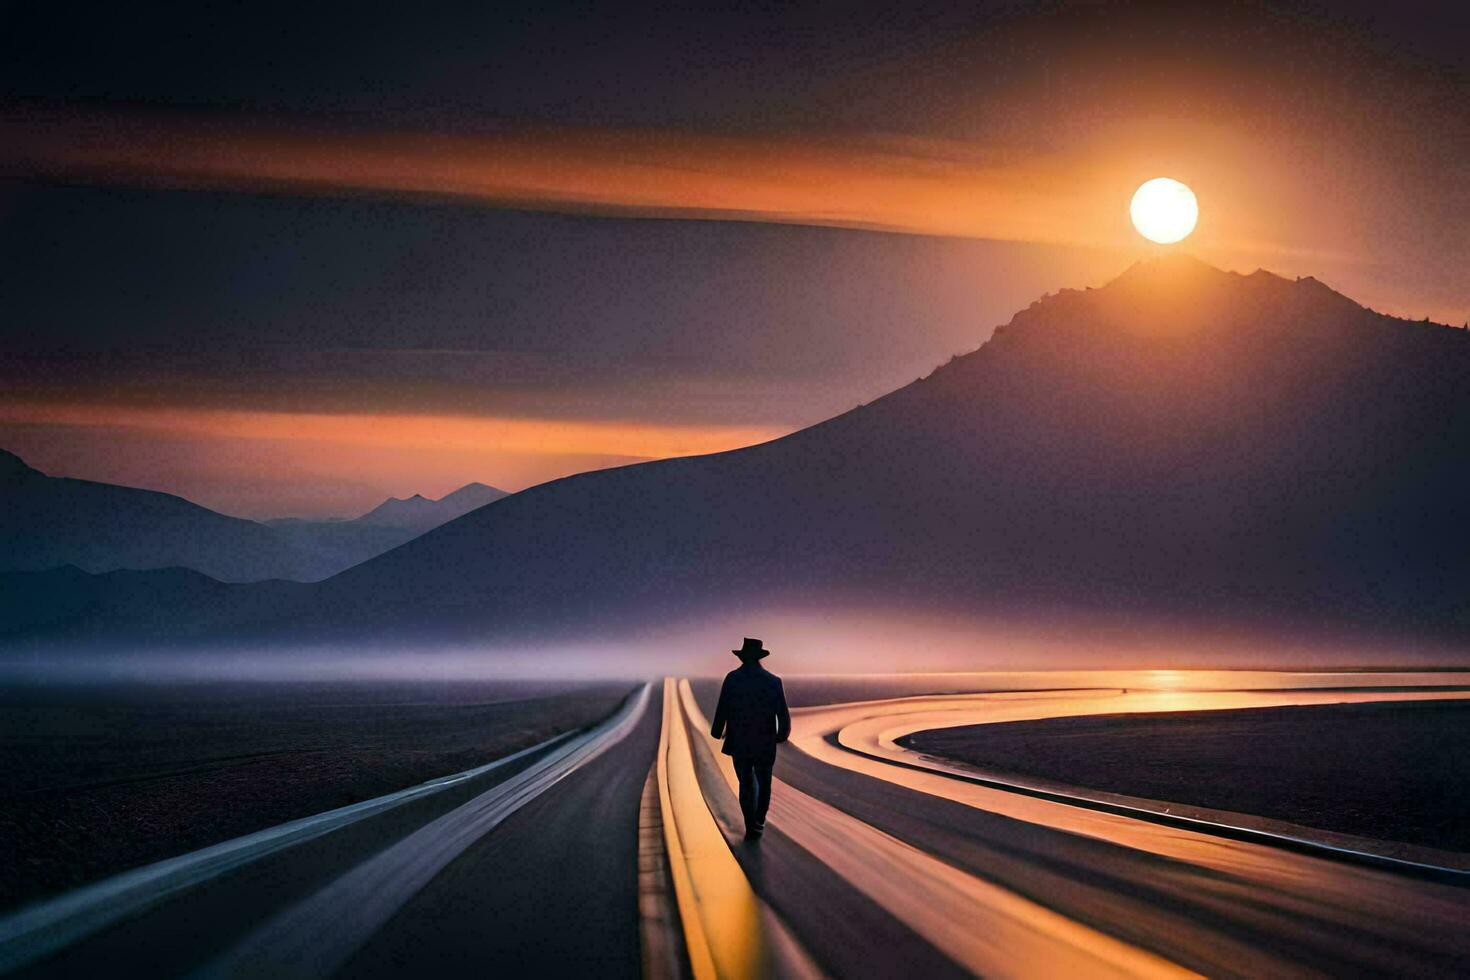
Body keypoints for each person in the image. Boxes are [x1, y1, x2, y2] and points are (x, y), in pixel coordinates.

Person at [710, 637, 791, 839]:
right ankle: (759, 820)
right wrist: (782, 734)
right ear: (759, 657)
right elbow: (782, 712)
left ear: (743, 657)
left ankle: (750, 823)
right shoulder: (773, 681)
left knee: (745, 783)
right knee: (764, 783)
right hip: (764, 741)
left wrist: (716, 730)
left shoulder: (732, 679)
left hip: (740, 740)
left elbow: (723, 708)